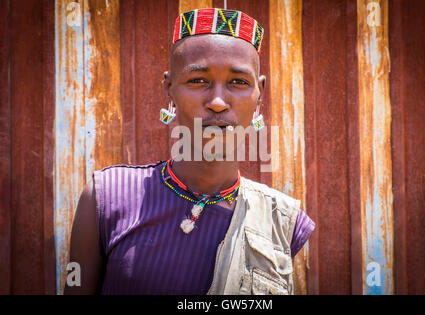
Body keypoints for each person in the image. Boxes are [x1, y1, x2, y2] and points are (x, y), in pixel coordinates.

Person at [64, 8, 315, 295]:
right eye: (198, 80)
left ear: (260, 94)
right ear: (169, 88)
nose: (218, 101)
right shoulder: (106, 198)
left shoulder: (280, 220)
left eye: (238, 82)